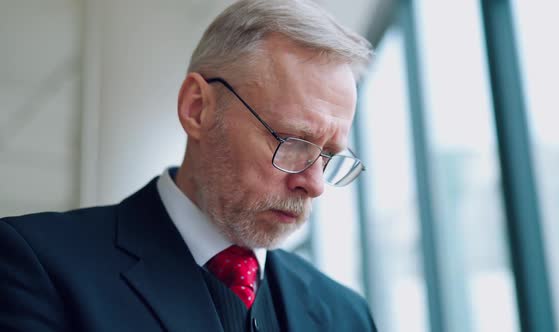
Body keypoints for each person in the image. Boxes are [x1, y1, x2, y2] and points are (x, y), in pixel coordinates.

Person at [0, 0, 375, 331]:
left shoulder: (348, 315)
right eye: (292, 141)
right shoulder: (37, 266)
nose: (314, 184)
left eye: (329, 155)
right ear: (198, 109)